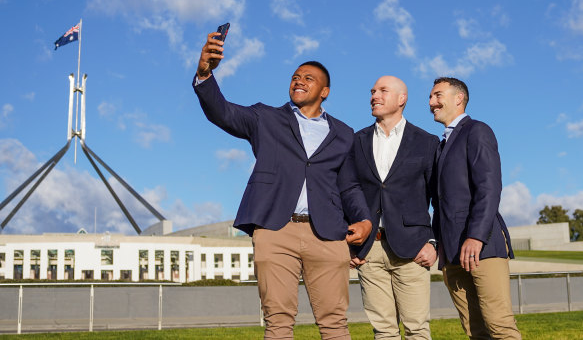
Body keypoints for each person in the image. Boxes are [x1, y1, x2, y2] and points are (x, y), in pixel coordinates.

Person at [192, 31, 372, 339]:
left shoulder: (343, 133)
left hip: (328, 234)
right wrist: (204, 74)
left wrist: (365, 220)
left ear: (325, 91)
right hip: (276, 230)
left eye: (309, 78)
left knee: (335, 324)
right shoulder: (265, 117)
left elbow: (349, 185)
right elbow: (222, 112)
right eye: (295, 76)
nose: (299, 81)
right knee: (277, 323)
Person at [428, 77, 521, 339]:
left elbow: (489, 187)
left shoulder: (477, 130)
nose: (431, 102)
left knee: (499, 325)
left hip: (482, 246)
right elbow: (440, 201)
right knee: (474, 330)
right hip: (452, 251)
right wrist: (440, 244)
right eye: (431, 97)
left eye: (437, 95)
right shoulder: (441, 145)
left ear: (459, 98)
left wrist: (476, 236)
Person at [350, 75, 439, 339]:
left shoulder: (427, 142)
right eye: (372, 90)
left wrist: (433, 242)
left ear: (402, 99)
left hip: (413, 249)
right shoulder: (356, 141)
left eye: (382, 90)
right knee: (383, 331)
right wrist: (350, 244)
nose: (374, 96)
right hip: (369, 250)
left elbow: (439, 199)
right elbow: (347, 193)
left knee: (417, 329)